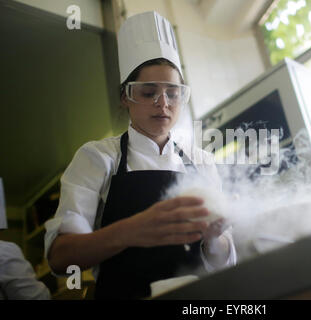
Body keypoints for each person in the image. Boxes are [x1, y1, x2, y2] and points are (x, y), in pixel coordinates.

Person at [44, 11, 236, 299]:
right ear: (126, 97)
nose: (163, 104)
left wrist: (214, 238)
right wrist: (131, 231)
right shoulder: (98, 157)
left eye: (173, 93)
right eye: (148, 93)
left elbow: (226, 262)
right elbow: (61, 258)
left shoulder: (202, 162)